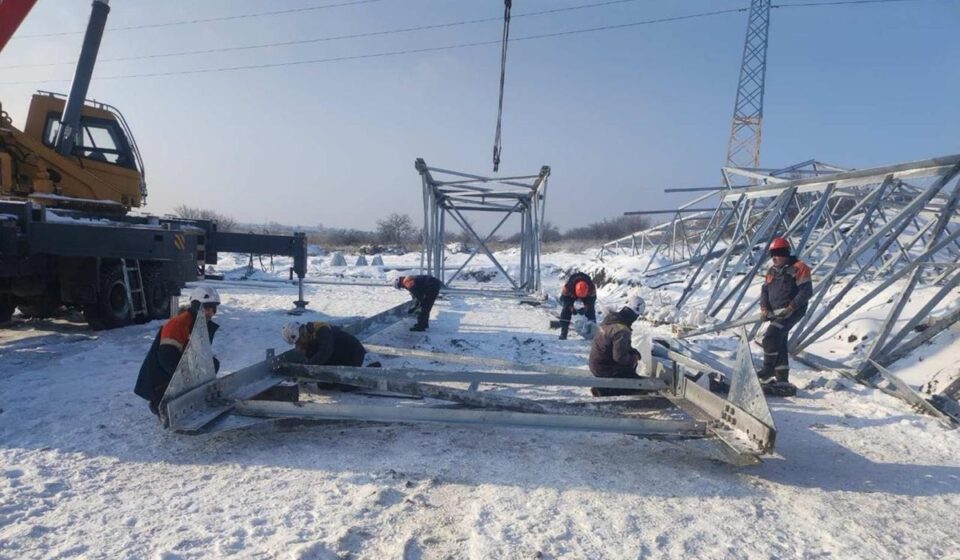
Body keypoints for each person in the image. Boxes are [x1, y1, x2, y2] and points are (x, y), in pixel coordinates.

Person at [135, 286, 221, 416]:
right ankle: (159, 402)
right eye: (207, 307)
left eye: (213, 309)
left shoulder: (201, 325)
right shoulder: (178, 324)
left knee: (213, 364)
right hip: (160, 378)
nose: (211, 313)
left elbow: (202, 356)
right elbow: (166, 358)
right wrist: (188, 380)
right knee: (169, 404)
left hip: (183, 369)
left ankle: (194, 395)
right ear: (196, 306)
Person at [759, 237, 812, 386]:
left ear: (785, 254)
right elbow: (765, 291)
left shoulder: (799, 268)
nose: (774, 258)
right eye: (772, 255)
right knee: (779, 341)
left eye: (777, 254)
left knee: (770, 336)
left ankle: (768, 369)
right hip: (776, 313)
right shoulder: (772, 271)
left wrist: (791, 307)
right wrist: (764, 308)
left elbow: (806, 291)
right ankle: (782, 379)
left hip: (792, 311)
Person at [281, 321, 372, 391]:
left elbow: (325, 351)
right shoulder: (308, 337)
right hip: (337, 357)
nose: (300, 344)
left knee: (346, 386)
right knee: (324, 385)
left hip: (352, 353)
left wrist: (308, 367)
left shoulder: (321, 329)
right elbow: (310, 356)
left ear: (301, 333)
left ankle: (370, 368)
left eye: (299, 341)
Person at [588, 295, 647, 396]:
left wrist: (631, 350)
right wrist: (633, 359)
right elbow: (620, 358)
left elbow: (614, 345)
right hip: (604, 368)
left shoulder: (610, 321)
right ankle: (604, 390)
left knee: (630, 367)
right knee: (636, 382)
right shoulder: (621, 331)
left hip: (596, 364)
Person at [558, 271, 597, 340]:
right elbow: (564, 298)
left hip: (586, 296)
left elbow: (592, 299)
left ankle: (593, 330)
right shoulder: (568, 287)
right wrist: (570, 307)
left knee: (591, 310)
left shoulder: (592, 288)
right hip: (571, 295)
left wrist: (586, 307)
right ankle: (564, 332)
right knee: (565, 310)